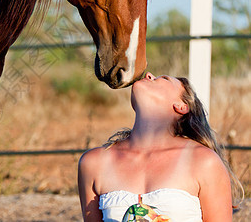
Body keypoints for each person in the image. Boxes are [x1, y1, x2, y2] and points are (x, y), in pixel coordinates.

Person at [78, 72, 242, 222]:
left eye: (164, 78)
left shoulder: (204, 161)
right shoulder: (94, 163)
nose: (148, 74)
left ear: (181, 106)